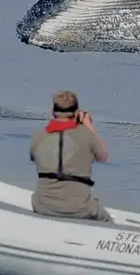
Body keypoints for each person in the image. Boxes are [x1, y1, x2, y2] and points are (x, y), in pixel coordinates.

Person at [30, 91, 113, 222]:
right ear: (76, 113)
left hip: (42, 205)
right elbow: (103, 156)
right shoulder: (86, 135)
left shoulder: (38, 136)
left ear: (52, 111)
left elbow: (35, 157)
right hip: (80, 209)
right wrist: (88, 125)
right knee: (107, 220)